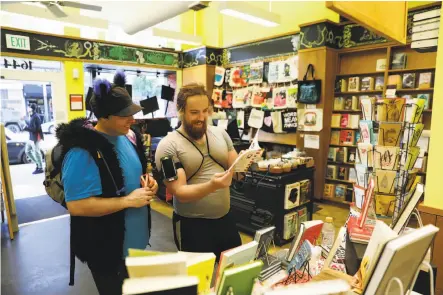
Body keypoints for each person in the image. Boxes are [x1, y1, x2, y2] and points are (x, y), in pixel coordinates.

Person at [57, 70, 158, 295]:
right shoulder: (82, 151)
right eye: (125, 115)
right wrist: (127, 201)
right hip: (108, 252)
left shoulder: (128, 138)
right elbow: (76, 205)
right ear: (104, 116)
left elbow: (135, 176)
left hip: (136, 245)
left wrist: (149, 183)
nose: (132, 119)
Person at [155, 83, 242, 261]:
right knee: (199, 282)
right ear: (180, 111)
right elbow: (179, 192)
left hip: (226, 220)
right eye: (194, 112)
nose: (201, 117)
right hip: (192, 226)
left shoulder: (221, 134)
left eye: (205, 111)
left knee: (235, 275)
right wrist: (212, 186)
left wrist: (247, 162)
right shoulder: (168, 146)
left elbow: (237, 170)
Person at [24, 104, 44, 174]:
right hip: (31, 137)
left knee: (36, 152)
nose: (27, 108)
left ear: (31, 109)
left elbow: (36, 129)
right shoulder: (31, 116)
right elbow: (31, 125)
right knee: (27, 151)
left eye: (28, 107)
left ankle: (40, 167)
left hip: (35, 137)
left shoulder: (36, 117)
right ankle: (38, 164)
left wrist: (26, 128)